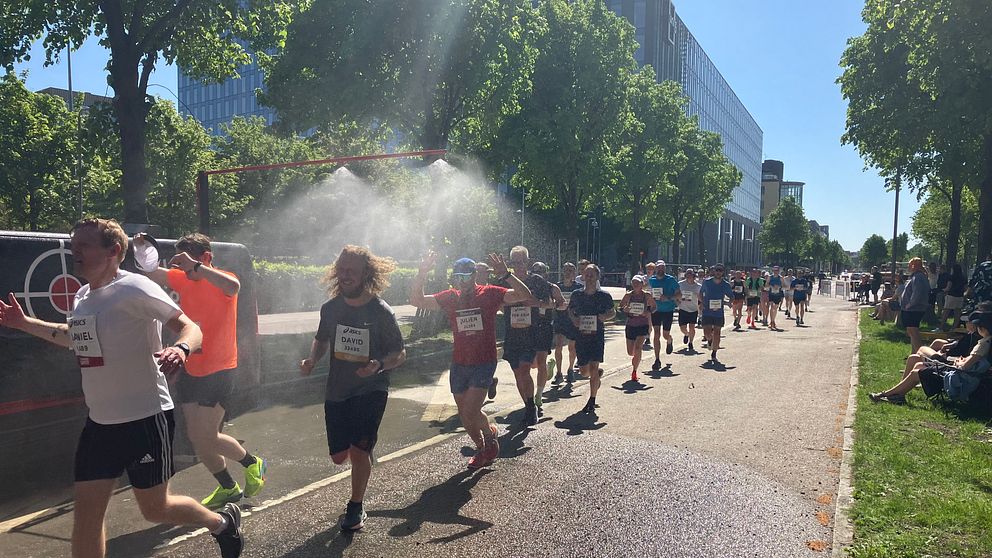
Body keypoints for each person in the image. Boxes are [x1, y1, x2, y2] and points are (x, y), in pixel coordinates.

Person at [0, 218, 243, 558]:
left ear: (113, 251)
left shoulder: (135, 288)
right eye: (74, 245)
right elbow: (74, 337)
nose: (75, 252)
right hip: (100, 424)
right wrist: (25, 323)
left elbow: (190, 326)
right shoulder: (84, 296)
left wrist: (181, 348)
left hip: (145, 418)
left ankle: (221, 522)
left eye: (83, 245)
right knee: (86, 515)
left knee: (155, 509)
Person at [135, 233, 266, 510]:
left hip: (220, 369)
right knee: (197, 438)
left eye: (186, 260)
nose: (181, 268)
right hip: (192, 366)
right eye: (179, 262)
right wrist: (139, 248)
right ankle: (228, 487)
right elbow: (149, 272)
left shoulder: (222, 278)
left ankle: (252, 463)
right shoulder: (181, 277)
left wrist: (197, 268)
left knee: (207, 436)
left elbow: (233, 286)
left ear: (205, 257)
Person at [299, 245, 407, 531]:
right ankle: (363, 449)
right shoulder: (331, 308)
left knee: (358, 453)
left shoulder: (381, 311)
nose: (345, 275)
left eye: (352, 271)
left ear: (365, 275)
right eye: (342, 270)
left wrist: (379, 365)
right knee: (338, 457)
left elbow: (399, 353)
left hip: (371, 389)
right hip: (338, 390)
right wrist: (312, 358)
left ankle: (355, 507)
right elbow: (322, 339)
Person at [410, 252, 532, 466]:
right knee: (466, 416)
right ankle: (486, 437)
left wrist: (506, 274)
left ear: (475, 275)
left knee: (470, 410)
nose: (462, 281)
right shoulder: (451, 297)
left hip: (484, 362)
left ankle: (485, 446)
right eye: (458, 277)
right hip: (459, 363)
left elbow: (523, 295)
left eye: (466, 276)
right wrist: (421, 273)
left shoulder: (489, 293)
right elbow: (416, 300)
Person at [870, 311, 991, 404]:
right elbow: (973, 362)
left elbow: (965, 367)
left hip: (960, 376)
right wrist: (962, 360)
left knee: (917, 371)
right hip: (963, 372)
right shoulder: (986, 342)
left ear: (983, 329)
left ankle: (887, 394)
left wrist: (959, 361)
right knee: (916, 362)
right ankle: (897, 393)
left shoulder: (983, 344)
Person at [495, 246, 549, 425]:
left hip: (531, 333)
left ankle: (531, 407)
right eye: (515, 262)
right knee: (518, 373)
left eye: (522, 261)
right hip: (512, 334)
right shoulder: (503, 282)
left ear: (528, 262)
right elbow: (498, 302)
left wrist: (530, 302)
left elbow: (547, 303)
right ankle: (527, 403)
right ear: (510, 263)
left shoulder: (537, 281)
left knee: (525, 370)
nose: (519, 265)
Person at [568, 264, 616, 413]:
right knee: (583, 372)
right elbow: (570, 310)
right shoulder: (577, 294)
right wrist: (574, 320)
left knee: (594, 366)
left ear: (597, 277)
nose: (588, 277)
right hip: (581, 336)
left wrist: (604, 317)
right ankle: (595, 377)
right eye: (586, 274)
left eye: (591, 275)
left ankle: (592, 400)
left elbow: (612, 312)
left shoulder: (604, 296)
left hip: (597, 336)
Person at [528, 261, 565, 415]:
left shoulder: (552, 288)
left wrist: (551, 306)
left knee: (540, 361)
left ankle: (538, 395)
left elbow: (562, 304)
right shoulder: (526, 287)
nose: (538, 275)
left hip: (544, 327)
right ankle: (550, 368)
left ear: (546, 273)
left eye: (541, 272)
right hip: (528, 327)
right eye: (535, 272)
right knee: (532, 364)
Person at [620, 275, 655, 381]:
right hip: (631, 325)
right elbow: (620, 307)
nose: (636, 284)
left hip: (642, 325)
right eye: (634, 282)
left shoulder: (647, 296)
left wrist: (647, 312)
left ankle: (634, 371)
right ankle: (637, 358)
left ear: (642, 284)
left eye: (638, 283)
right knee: (631, 352)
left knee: (638, 347)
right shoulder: (628, 296)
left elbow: (654, 307)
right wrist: (624, 310)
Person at [648, 260, 681, 368]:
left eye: (663, 268)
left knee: (665, 335)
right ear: (655, 269)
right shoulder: (651, 280)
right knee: (656, 334)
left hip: (668, 310)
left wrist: (668, 298)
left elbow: (679, 295)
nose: (660, 270)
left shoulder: (670, 280)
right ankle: (657, 359)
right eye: (659, 268)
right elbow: (647, 292)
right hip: (656, 310)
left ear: (665, 269)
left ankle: (670, 340)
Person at [698, 264, 734, 364]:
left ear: (723, 272)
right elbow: (700, 293)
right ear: (714, 271)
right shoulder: (707, 282)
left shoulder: (725, 284)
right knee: (707, 333)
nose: (718, 272)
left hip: (718, 312)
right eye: (717, 270)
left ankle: (714, 353)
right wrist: (701, 302)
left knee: (717, 332)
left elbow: (731, 296)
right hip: (707, 311)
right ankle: (710, 340)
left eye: (720, 271)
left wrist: (729, 302)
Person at [553, 262, 580, 383]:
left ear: (574, 272)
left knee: (572, 347)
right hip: (560, 319)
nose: (568, 272)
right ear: (562, 271)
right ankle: (558, 373)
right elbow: (552, 301)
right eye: (566, 270)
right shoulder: (557, 286)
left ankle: (570, 369)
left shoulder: (578, 287)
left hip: (572, 320)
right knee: (558, 346)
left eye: (570, 270)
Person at [900, 257, 930, 353]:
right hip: (912, 309)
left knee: (914, 332)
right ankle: (913, 353)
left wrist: (910, 304)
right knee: (911, 332)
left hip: (914, 309)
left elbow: (917, 293)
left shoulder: (918, 277)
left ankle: (920, 355)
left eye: (909, 265)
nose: (908, 267)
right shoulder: (915, 276)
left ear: (914, 266)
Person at [936, 263, 966, 332]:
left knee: (946, 312)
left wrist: (943, 290)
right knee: (957, 313)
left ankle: (941, 328)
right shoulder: (963, 278)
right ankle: (954, 328)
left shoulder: (951, 277)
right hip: (960, 297)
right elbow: (965, 288)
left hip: (951, 296)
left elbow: (948, 287)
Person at [677, 268, 702, 352]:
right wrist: (677, 300)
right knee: (682, 328)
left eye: (691, 274)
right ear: (685, 275)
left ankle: (691, 342)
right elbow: (676, 294)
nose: (689, 276)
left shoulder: (698, 286)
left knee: (692, 327)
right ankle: (686, 334)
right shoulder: (680, 284)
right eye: (687, 274)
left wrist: (702, 303)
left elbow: (701, 297)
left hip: (693, 309)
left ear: (694, 275)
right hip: (683, 308)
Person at [964, 250, 992, 315]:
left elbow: (973, 279)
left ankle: (980, 322)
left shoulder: (983, 265)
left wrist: (967, 292)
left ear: (988, 258)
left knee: (981, 310)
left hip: (982, 292)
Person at [642, 261, 657, 350]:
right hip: (644, 301)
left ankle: (648, 336)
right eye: (648, 269)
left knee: (649, 320)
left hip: (653, 301)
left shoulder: (656, 278)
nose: (649, 271)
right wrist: (648, 283)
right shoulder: (643, 278)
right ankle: (643, 334)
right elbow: (641, 287)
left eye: (651, 269)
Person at [767, 266, 785, 331]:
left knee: (776, 307)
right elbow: (766, 285)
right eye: (774, 270)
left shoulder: (781, 278)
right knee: (772, 307)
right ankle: (771, 322)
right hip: (771, 294)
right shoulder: (770, 277)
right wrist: (771, 286)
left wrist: (779, 287)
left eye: (777, 270)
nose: (775, 272)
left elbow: (784, 286)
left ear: (779, 271)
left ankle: (773, 320)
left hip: (778, 294)